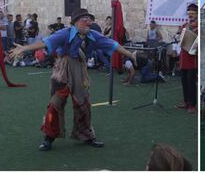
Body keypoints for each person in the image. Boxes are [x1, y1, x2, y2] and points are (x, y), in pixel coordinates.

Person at [9, 8, 137, 151]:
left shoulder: (94, 36)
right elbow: (45, 42)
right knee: (55, 104)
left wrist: (130, 55)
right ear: (76, 22)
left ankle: (86, 135)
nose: (89, 22)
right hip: (63, 69)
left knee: (83, 104)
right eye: (85, 19)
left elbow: (114, 45)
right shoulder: (65, 33)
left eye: (90, 19)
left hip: (80, 70)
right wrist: (24, 48)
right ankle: (49, 137)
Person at [175, 3, 198, 114]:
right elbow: (179, 39)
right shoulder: (185, 25)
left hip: (192, 59)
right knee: (184, 81)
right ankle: (186, 102)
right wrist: (179, 33)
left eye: (193, 13)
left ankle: (192, 105)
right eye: (189, 13)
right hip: (183, 58)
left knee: (191, 82)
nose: (190, 15)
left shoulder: (198, 27)